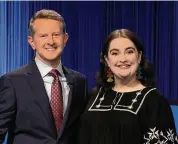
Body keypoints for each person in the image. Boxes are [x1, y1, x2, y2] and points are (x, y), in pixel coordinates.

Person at [0, 9, 87, 144]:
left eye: (56, 35)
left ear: (65, 39)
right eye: (43, 36)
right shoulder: (13, 81)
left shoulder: (79, 81)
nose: (50, 41)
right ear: (32, 42)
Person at [77, 29, 178, 144]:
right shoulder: (94, 96)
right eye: (115, 53)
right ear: (107, 60)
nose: (123, 59)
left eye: (129, 52)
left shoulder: (154, 101)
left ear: (139, 57)